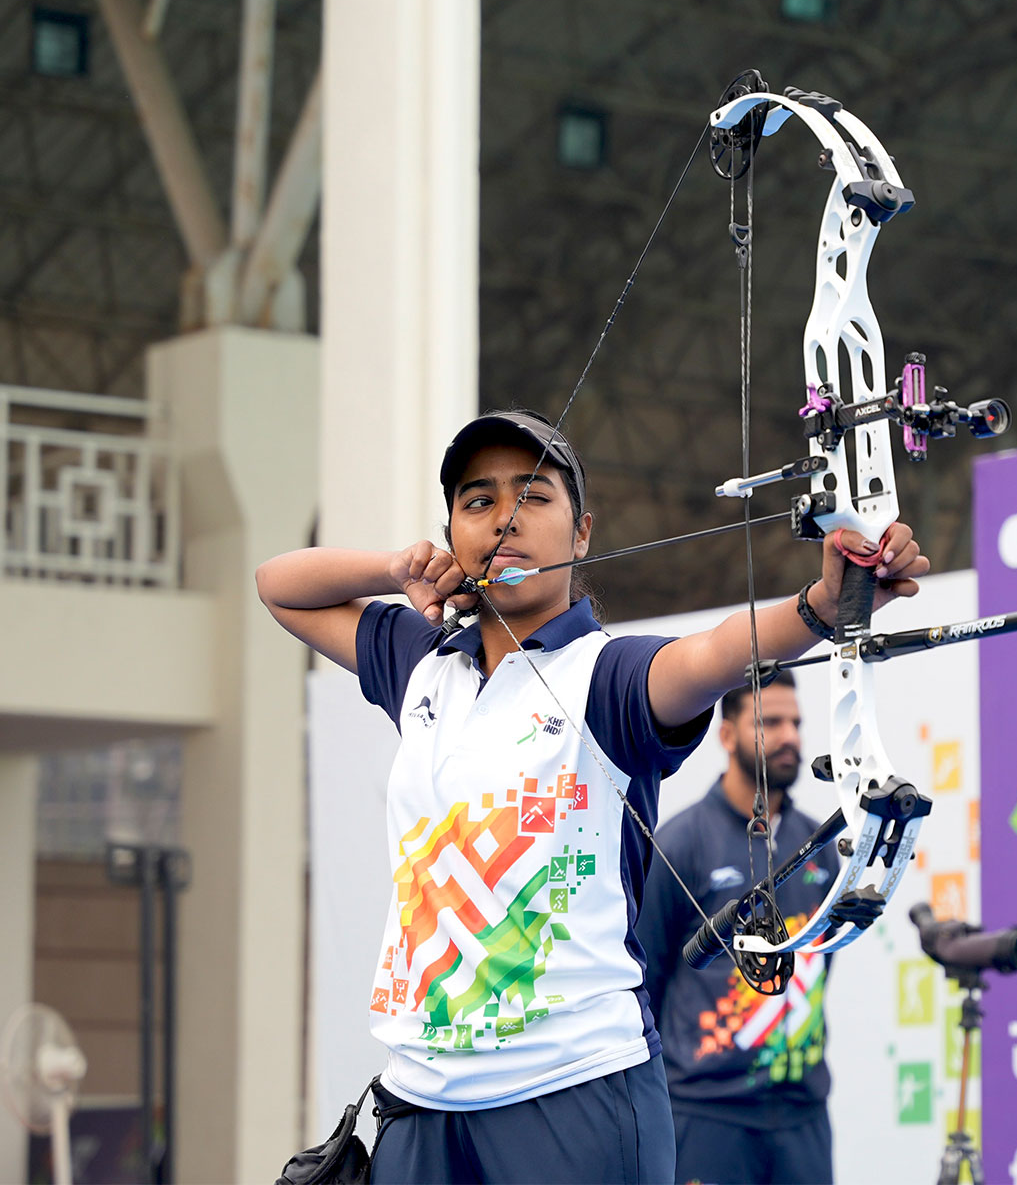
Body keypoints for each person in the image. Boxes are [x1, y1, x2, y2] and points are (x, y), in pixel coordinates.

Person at [254, 409, 927, 1184]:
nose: (504, 517)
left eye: (534, 496)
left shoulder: (605, 676)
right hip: (421, 1100)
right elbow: (280, 588)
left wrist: (821, 603)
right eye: (478, 502)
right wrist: (397, 570)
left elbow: (711, 654)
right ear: (453, 534)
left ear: (581, 535)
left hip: (574, 1095)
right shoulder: (422, 666)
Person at [636, 669, 838, 1185]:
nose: (790, 735)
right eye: (770, 722)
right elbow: (646, 979)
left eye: (795, 722)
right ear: (726, 735)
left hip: (803, 1115)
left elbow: (816, 964)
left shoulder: (818, 846)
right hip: (707, 1117)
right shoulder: (680, 845)